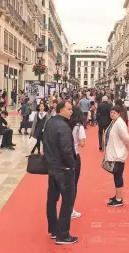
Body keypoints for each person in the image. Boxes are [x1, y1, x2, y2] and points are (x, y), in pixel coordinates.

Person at [43, 101, 78, 245]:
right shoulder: (63, 127)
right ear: (61, 110)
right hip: (63, 169)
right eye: (69, 109)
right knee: (67, 200)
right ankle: (63, 235)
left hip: (52, 166)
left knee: (52, 199)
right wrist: (72, 165)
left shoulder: (50, 122)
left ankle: (53, 229)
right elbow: (66, 150)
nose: (71, 112)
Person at [104, 105, 129, 207]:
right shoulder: (114, 122)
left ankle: (119, 199)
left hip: (118, 154)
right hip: (115, 152)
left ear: (119, 114)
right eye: (111, 112)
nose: (112, 114)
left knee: (118, 176)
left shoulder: (120, 124)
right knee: (116, 175)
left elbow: (127, 139)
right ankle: (117, 196)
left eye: (114, 113)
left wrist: (128, 148)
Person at [69, 106, 86, 219]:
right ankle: (70, 209)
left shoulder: (66, 125)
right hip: (75, 156)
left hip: (64, 156)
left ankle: (67, 208)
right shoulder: (79, 127)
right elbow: (82, 143)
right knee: (73, 184)